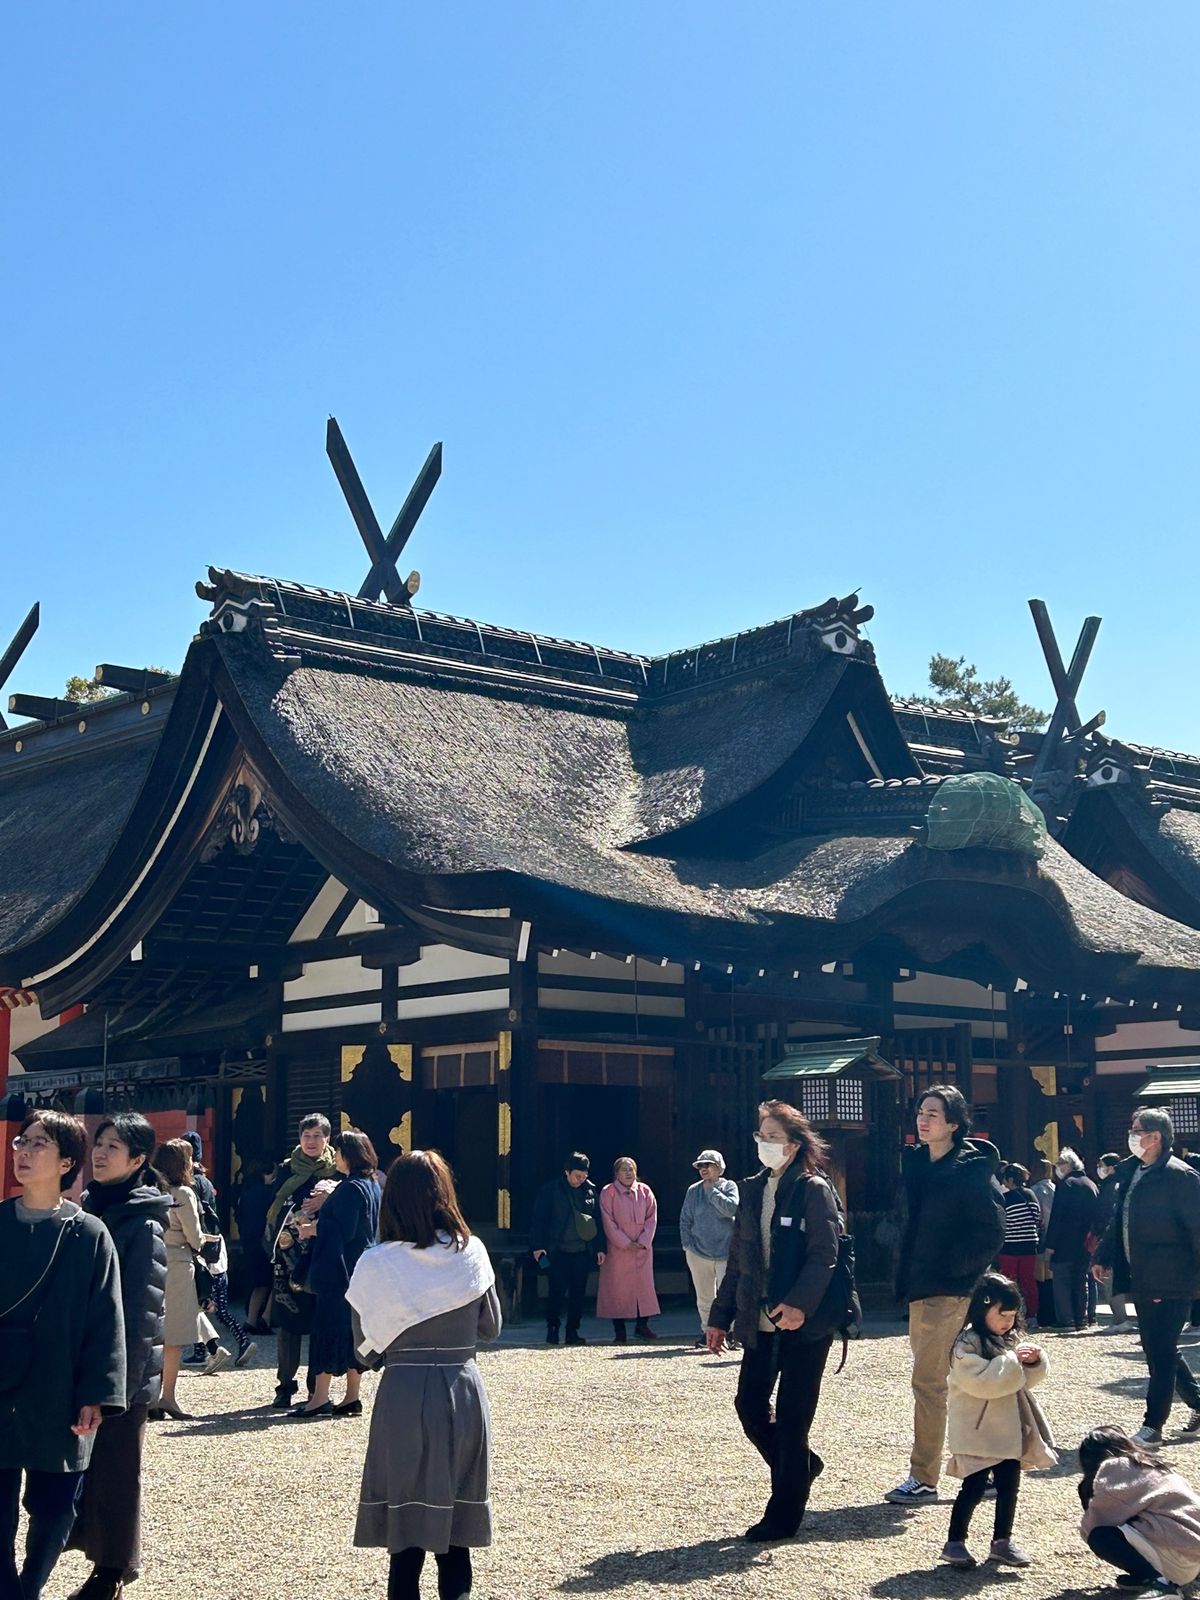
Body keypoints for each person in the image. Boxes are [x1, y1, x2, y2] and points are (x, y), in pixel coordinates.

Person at [347, 1149, 500, 1600]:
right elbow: (490, 1328)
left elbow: (364, 1348)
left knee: (405, 1533)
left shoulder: (376, 1263)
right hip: (461, 1386)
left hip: (404, 1389)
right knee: (456, 1533)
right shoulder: (470, 1252)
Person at [0, 1111, 125, 1600]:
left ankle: (26, 1588)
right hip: (1, 1385)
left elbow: (105, 1320)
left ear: (67, 1161)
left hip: (61, 1388)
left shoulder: (90, 1234)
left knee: (56, 1508)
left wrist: (98, 1392)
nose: (23, 1152)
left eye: (38, 1144)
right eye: (20, 1142)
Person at [708, 1100, 840, 1542]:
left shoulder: (813, 1189)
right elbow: (739, 1257)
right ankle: (801, 1468)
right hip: (759, 1318)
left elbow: (826, 1254)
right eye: (760, 1136)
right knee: (749, 1406)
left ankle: (783, 1514)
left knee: (792, 1416)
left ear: (795, 1144)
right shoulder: (752, 1188)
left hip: (805, 1322)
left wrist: (801, 1303)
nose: (764, 1145)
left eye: (773, 1138)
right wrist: (720, 1316)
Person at [885, 1085, 1005, 1506]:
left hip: (950, 1288)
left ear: (954, 1124)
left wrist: (957, 1269)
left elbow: (992, 1230)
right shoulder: (917, 1165)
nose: (924, 1119)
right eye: (921, 1111)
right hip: (920, 1285)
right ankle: (982, 1466)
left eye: (934, 1113)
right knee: (955, 1381)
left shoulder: (970, 1169)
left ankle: (924, 1476)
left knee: (929, 1383)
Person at [67, 1113, 170, 1600]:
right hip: (77, 1362)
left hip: (122, 1372)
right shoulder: (88, 1207)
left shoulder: (142, 1220)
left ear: (138, 1160)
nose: (101, 1153)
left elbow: (141, 1308)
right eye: (100, 1143)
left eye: (115, 1147)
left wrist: (118, 1387)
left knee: (115, 1474)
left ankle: (111, 1571)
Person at [1093, 1105, 1200, 1446]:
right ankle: (1198, 1403)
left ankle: (1153, 1424)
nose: (1132, 1134)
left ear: (1155, 1137)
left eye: (1137, 1129)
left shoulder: (1179, 1176)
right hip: (1141, 1274)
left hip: (1171, 1276)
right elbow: (1119, 1220)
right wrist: (1103, 1255)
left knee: (1160, 1350)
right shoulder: (1132, 1172)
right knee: (1160, 1345)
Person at [939, 1272, 1055, 1570]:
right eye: (1002, 1315)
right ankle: (955, 1541)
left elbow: (1021, 1380)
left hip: (1007, 1431)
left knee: (1008, 1488)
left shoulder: (1008, 1340)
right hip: (976, 1431)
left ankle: (1002, 1541)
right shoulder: (967, 1343)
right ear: (982, 1309)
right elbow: (982, 1382)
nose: (1007, 1322)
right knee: (973, 1487)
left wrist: (1034, 1361)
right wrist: (1016, 1360)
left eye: (1012, 1316)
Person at [291, 1129, 381, 1420]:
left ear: (348, 1155)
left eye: (339, 1152)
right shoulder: (373, 1184)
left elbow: (342, 1229)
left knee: (328, 1328)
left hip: (339, 1269)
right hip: (363, 1268)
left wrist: (309, 1229)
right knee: (353, 1330)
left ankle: (319, 1397)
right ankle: (351, 1396)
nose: (336, 1158)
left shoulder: (351, 1188)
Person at [267, 1113, 337, 1408]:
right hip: (288, 1254)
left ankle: (315, 1387)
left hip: (322, 1253)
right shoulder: (287, 1169)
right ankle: (284, 1385)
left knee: (322, 1322)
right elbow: (275, 1205)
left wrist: (326, 1202)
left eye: (317, 1136)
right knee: (288, 1323)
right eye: (306, 1136)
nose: (311, 1141)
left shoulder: (337, 1171)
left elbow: (346, 1209)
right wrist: (296, 1214)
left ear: (327, 1139)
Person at [1078, 1425, 1200, 1593]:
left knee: (1100, 1536)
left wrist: (1086, 1491)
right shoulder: (1154, 1466)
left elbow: (1095, 1524)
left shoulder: (1116, 1466)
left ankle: (1156, 1582)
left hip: (1176, 1560)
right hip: (1193, 1554)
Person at [152, 1137, 219, 1421]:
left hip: (152, 1260)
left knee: (152, 1332)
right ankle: (168, 1396)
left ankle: (150, 1395)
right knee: (174, 1336)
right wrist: (209, 1239)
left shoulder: (150, 1190)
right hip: (179, 1265)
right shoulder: (184, 1193)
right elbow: (194, 1237)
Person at [181, 1132, 255, 1375]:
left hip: (203, 1248)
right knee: (202, 1303)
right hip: (216, 1245)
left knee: (209, 1304)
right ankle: (204, 1350)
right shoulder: (207, 1181)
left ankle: (234, 1343)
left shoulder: (190, 1185)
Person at [529, 1153, 606, 1346]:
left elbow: (598, 1222)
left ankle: (573, 1330)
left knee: (578, 1293)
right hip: (557, 1250)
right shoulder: (551, 1190)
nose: (581, 1180)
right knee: (556, 1291)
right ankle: (553, 1328)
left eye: (584, 1176)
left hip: (582, 1250)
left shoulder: (590, 1191)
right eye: (577, 1176)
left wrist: (599, 1248)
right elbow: (539, 1220)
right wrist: (538, 1246)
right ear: (567, 1172)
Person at [679, 1149, 739, 1350]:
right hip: (697, 1251)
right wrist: (686, 1245)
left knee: (727, 1294)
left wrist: (712, 1190)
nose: (703, 1169)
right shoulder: (692, 1191)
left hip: (726, 1250)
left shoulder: (729, 1186)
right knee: (704, 1297)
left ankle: (729, 1332)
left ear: (719, 1167)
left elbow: (731, 1209)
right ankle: (707, 1332)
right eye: (700, 1166)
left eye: (708, 1165)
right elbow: (685, 1219)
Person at [597, 1157, 660, 1343]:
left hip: (642, 1248)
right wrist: (624, 1242)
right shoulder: (608, 1192)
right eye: (624, 1169)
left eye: (631, 1169)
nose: (628, 1173)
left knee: (644, 1287)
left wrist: (643, 1240)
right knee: (617, 1288)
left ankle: (642, 1325)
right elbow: (607, 1220)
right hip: (618, 1249)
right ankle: (619, 1330)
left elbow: (652, 1218)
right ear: (616, 1173)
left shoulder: (645, 1191)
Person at [1043, 1147, 1099, 1336]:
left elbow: (1057, 1217)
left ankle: (1066, 1320)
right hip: (1085, 1242)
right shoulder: (1091, 1184)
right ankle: (1081, 1318)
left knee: (1062, 1282)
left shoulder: (1066, 1185)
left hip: (1064, 1242)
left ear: (1068, 1165)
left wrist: (1050, 1245)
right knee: (1080, 1280)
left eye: (1059, 1163)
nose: (1057, 1167)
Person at [1092, 1152, 1135, 1333]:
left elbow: (1106, 1215)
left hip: (1109, 1238)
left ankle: (1119, 1319)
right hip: (1119, 1239)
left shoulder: (1111, 1187)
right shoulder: (1121, 1183)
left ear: (1110, 1167)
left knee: (1110, 1281)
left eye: (1102, 1165)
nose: (1100, 1169)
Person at [997, 1163, 1042, 1329]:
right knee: (1029, 1281)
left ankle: (1011, 1314)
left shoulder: (1006, 1199)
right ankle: (1032, 1315)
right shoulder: (1032, 1195)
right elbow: (1038, 1219)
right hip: (1030, 1245)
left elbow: (1002, 1223)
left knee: (1009, 1283)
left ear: (1009, 1180)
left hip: (1010, 1246)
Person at [235, 1158, 276, 1333]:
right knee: (272, 1282)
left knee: (257, 1282)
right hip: (264, 1242)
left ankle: (252, 1319)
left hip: (248, 1241)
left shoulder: (246, 1191)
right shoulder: (267, 1192)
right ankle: (265, 1318)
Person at [1030, 1159, 1058, 1329]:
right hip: (1056, 1238)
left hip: (1042, 1239)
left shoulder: (1036, 1191)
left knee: (1041, 1278)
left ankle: (1044, 1314)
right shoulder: (1057, 1188)